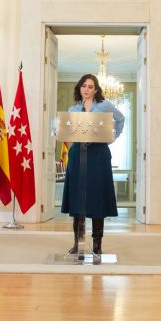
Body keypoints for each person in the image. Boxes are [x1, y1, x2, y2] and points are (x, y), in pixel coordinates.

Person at [61, 74, 125, 255]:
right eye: (84, 86)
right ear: (79, 88)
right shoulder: (73, 109)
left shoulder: (104, 105)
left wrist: (114, 136)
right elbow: (68, 130)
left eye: (90, 86)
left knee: (97, 197)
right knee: (77, 197)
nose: (86, 89)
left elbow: (121, 119)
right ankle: (78, 243)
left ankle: (97, 244)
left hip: (98, 155)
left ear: (96, 90)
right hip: (77, 155)